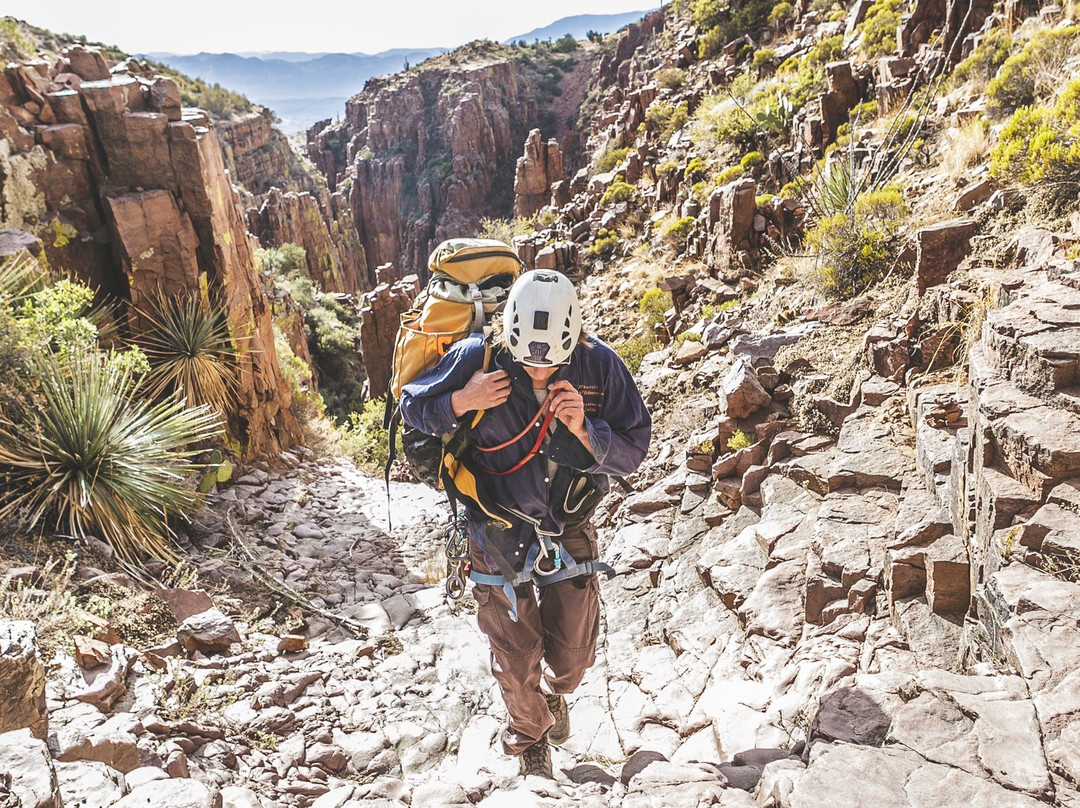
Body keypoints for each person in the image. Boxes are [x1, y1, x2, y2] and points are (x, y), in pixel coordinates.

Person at [399, 269, 652, 778]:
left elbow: (634, 449)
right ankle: (529, 737)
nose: (538, 374)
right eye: (528, 363)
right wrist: (461, 401)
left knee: (574, 658)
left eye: (551, 364)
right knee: (516, 656)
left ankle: (555, 697)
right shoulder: (479, 357)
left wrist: (586, 429)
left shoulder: (599, 366)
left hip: (568, 524)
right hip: (494, 529)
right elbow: (412, 406)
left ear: (573, 339)